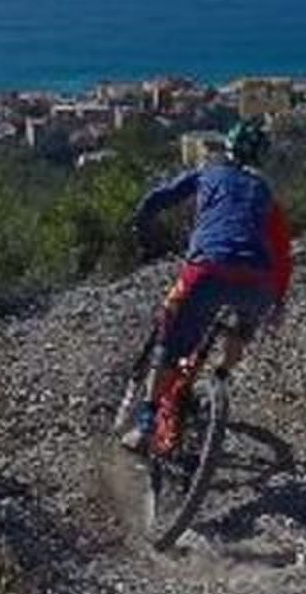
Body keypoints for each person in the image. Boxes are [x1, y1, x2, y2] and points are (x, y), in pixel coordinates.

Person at [119, 118, 293, 453]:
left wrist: (141, 219)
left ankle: (145, 426)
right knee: (240, 329)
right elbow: (283, 254)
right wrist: (279, 301)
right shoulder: (266, 194)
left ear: (227, 147)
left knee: (169, 349)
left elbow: (163, 196)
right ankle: (221, 379)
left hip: (207, 271)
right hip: (258, 281)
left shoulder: (208, 173)